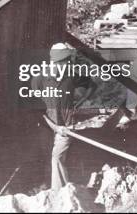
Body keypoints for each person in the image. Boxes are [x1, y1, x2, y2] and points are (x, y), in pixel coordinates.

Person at [35, 43, 96, 194]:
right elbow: (35, 110)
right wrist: (53, 127)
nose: (68, 65)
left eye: (69, 61)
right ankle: (47, 187)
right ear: (55, 61)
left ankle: (60, 193)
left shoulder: (71, 74)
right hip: (47, 125)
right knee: (47, 155)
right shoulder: (39, 79)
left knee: (57, 157)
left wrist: (80, 103)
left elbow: (91, 85)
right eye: (65, 62)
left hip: (67, 125)